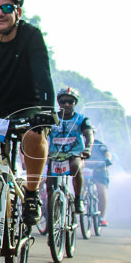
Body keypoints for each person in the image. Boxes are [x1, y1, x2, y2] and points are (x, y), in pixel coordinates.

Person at [0, 0, 55, 225]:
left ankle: (31, 194)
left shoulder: (31, 36)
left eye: (7, 8)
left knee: (34, 134)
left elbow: (43, 75)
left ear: (18, 12)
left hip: (27, 105)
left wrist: (46, 110)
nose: (0, 13)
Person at [47, 86, 93, 219]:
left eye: (70, 102)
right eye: (63, 101)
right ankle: (51, 213)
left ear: (75, 103)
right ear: (58, 103)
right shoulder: (51, 118)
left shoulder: (82, 119)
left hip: (75, 154)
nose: (66, 104)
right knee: (49, 184)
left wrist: (88, 149)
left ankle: (78, 199)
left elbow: (89, 135)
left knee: (75, 167)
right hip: (55, 156)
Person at [85, 137, 114, 227]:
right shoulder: (79, 143)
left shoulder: (98, 144)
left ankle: (101, 217)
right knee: (82, 188)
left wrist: (108, 160)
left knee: (101, 191)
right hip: (86, 169)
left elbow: (107, 153)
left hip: (100, 170)